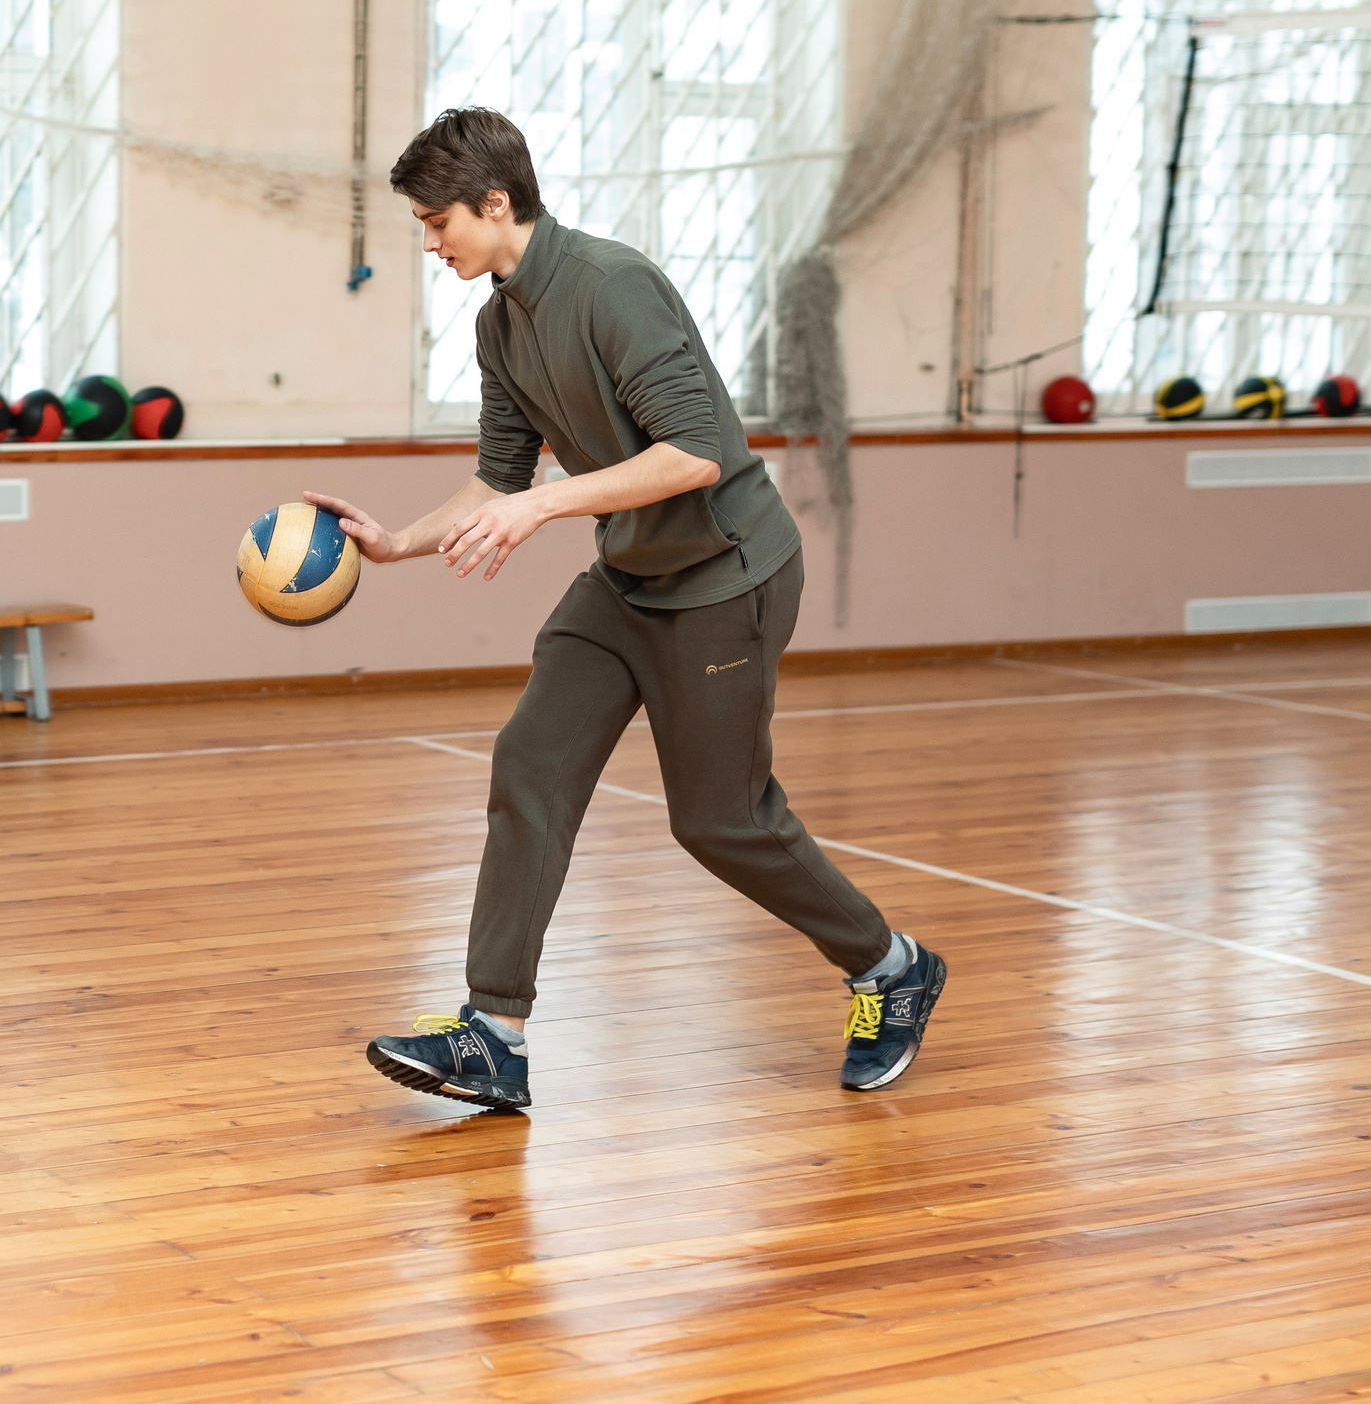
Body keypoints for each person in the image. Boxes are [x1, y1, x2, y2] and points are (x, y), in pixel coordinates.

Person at [306, 108, 943, 1112]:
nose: (429, 243)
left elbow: (693, 451)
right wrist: (393, 544)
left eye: (438, 222)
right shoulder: (498, 323)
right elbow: (496, 480)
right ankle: (494, 1036)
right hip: (629, 579)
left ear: (497, 201)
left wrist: (542, 505)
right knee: (530, 760)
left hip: (726, 578)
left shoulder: (612, 285)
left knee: (721, 822)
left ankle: (889, 965)